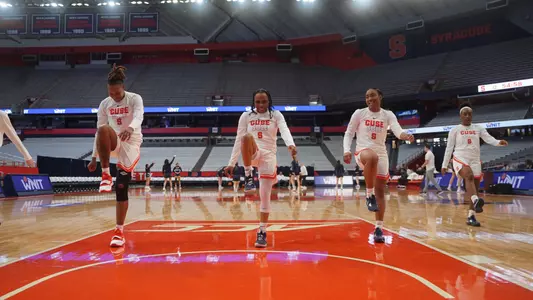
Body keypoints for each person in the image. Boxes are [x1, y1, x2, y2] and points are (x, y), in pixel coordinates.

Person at [225, 88, 297, 248]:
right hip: (254, 153)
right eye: (257, 101)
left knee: (265, 197)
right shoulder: (246, 116)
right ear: (253, 102)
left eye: (264, 101)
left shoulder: (276, 115)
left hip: (269, 156)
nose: (261, 104)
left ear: (269, 101)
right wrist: (231, 163)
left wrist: (290, 145)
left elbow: (284, 130)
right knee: (246, 137)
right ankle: (248, 176)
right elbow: (238, 139)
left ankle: (262, 231)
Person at [343, 88, 414, 243]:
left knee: (381, 191)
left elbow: (397, 131)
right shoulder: (359, 113)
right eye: (367, 96)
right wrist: (346, 150)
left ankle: (378, 228)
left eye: (372, 95)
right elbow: (349, 133)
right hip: (363, 152)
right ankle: (369, 195)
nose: (369, 98)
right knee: (372, 157)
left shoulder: (388, 114)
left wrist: (406, 135)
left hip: (381, 153)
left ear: (380, 97)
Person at [87, 64, 144, 248]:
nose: (114, 96)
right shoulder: (105, 104)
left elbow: (139, 116)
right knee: (103, 128)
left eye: (117, 93)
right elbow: (98, 132)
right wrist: (94, 157)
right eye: (111, 93)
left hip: (131, 142)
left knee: (121, 186)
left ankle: (119, 230)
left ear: (123, 88)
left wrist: (130, 128)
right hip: (115, 140)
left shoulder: (135, 99)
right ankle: (105, 174)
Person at [441, 104, 508, 227]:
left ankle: (471, 215)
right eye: (465, 114)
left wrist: (498, 142)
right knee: (468, 176)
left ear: (472, 116)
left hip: (475, 160)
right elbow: (449, 148)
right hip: (460, 158)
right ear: (460, 116)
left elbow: (488, 138)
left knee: (475, 188)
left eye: (469, 114)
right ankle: (476, 200)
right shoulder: (454, 130)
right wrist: (444, 165)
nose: (467, 116)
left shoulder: (478, 128)